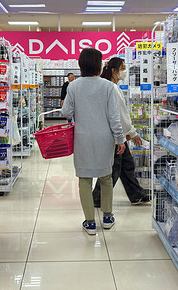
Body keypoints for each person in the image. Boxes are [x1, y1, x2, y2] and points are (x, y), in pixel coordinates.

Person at [62, 48, 126, 235]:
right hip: (105, 138)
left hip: (82, 138)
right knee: (106, 177)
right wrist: (120, 139)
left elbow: (66, 112)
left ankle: (89, 222)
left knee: (85, 178)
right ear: (99, 65)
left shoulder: (73, 86)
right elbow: (114, 117)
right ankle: (107, 217)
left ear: (81, 64)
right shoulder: (107, 86)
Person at [92, 57, 151, 207]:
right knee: (115, 168)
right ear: (114, 70)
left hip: (114, 133)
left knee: (127, 164)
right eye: (123, 68)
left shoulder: (108, 86)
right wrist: (133, 132)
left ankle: (137, 195)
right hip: (113, 135)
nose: (125, 71)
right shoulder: (112, 88)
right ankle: (97, 198)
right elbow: (120, 114)